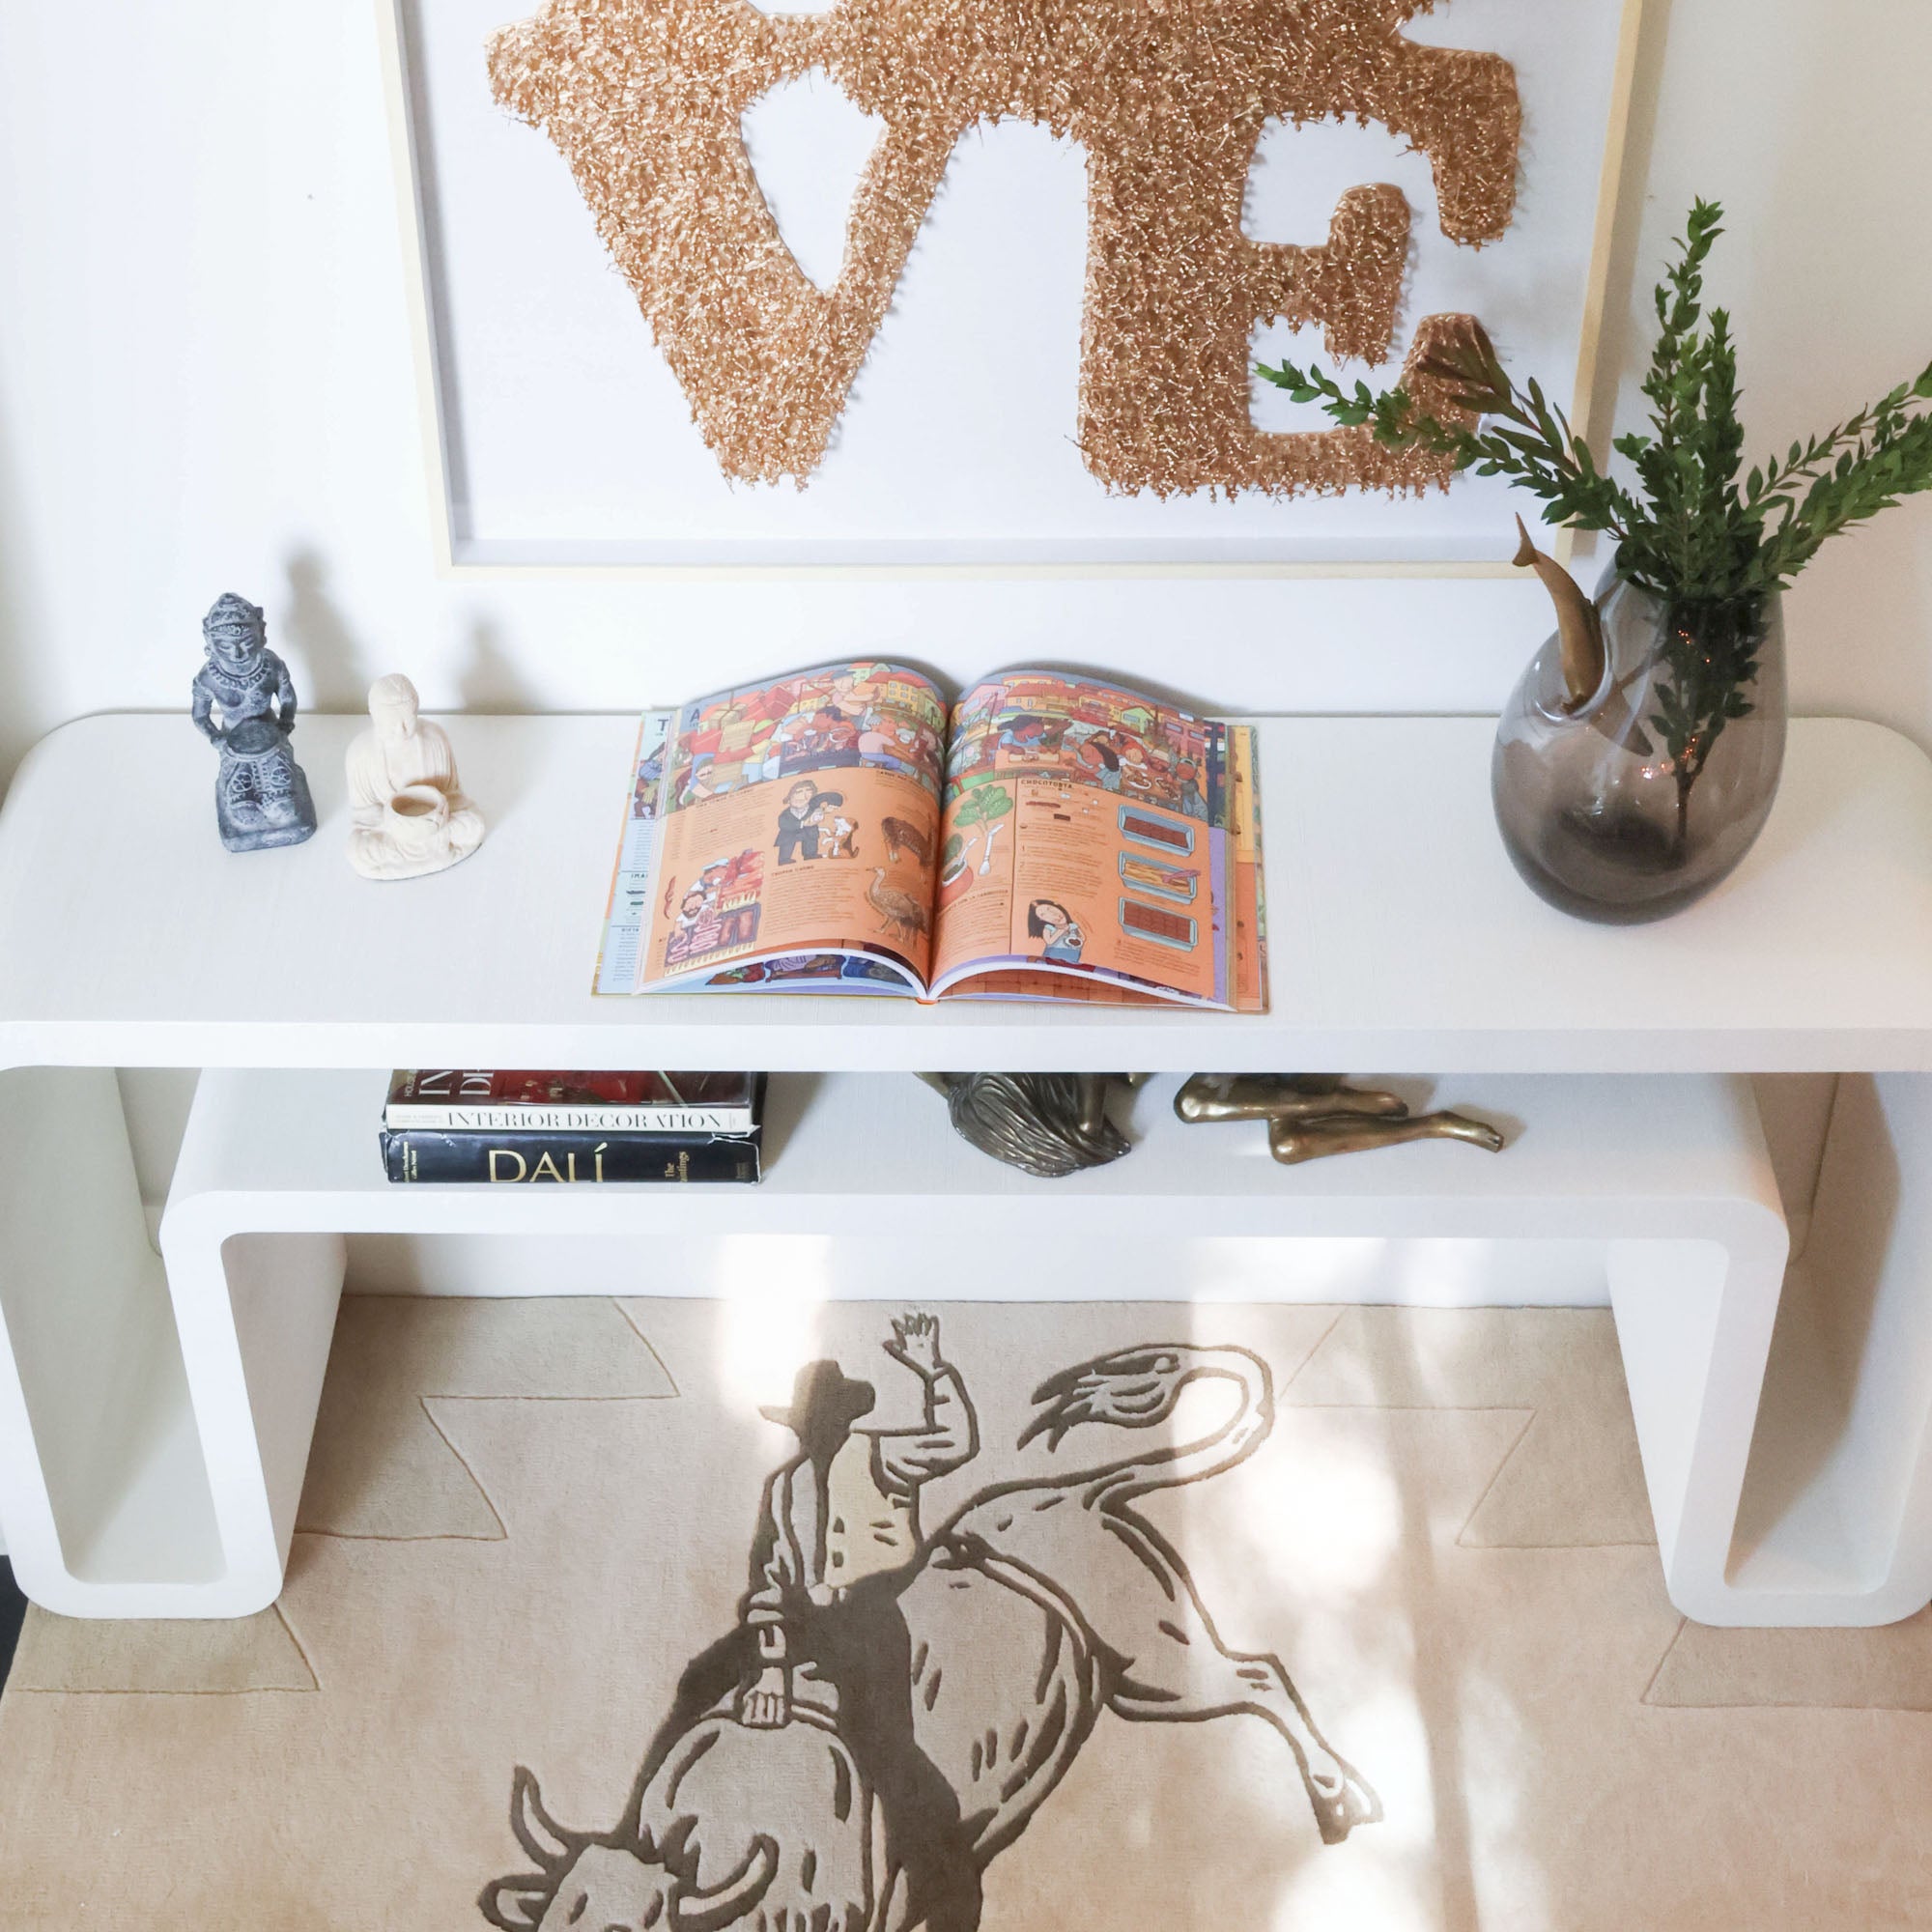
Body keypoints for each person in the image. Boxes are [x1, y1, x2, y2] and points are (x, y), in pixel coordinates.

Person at [774, 779, 822, 863]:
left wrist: (818, 815)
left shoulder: (813, 810)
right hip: (790, 833)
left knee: (811, 837)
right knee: (787, 841)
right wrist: (802, 823)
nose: (802, 797)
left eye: (808, 791)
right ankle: (784, 859)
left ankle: (810, 854)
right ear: (789, 799)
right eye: (798, 792)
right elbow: (782, 824)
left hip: (808, 832)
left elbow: (819, 815)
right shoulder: (786, 813)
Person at [1027, 897, 1085, 964]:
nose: (1051, 914)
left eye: (1049, 909)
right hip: (1053, 959)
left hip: (1073, 958)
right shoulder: (1049, 928)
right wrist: (1060, 931)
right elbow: (1049, 941)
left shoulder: (1073, 926)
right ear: (1041, 919)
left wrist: (1077, 940)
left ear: (1057, 906)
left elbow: (1083, 937)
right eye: (1043, 915)